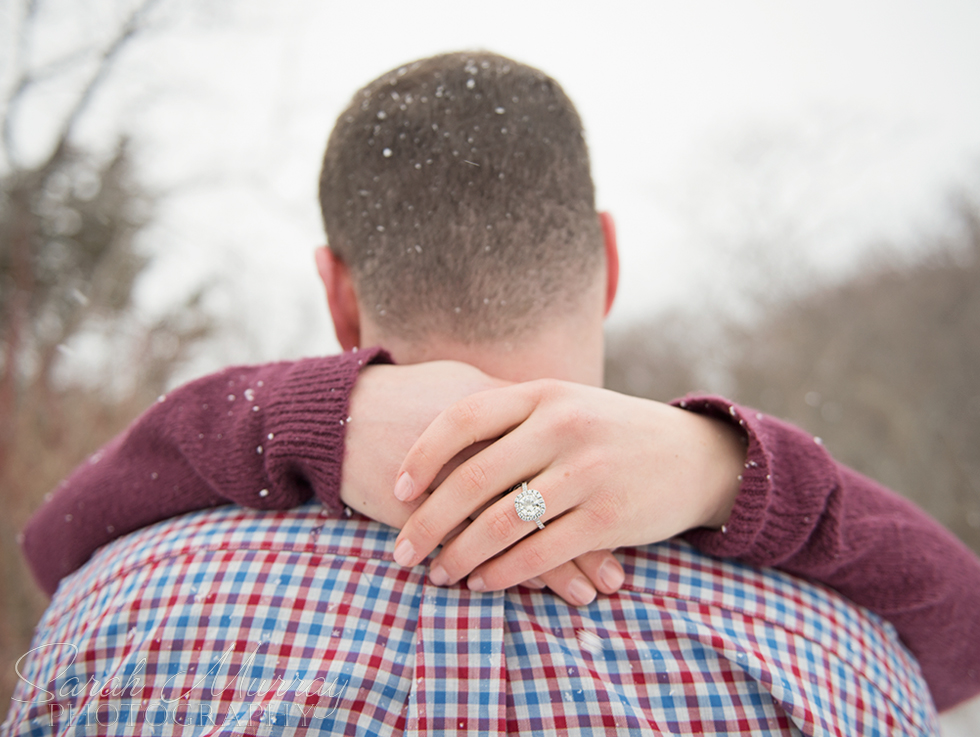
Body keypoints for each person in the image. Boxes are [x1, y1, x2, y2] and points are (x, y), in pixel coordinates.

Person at [6, 52, 977, 733]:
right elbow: (960, 625)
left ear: (336, 291)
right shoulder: (835, 653)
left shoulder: (112, 619)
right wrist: (731, 467)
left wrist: (297, 412)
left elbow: (52, 541)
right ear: (603, 261)